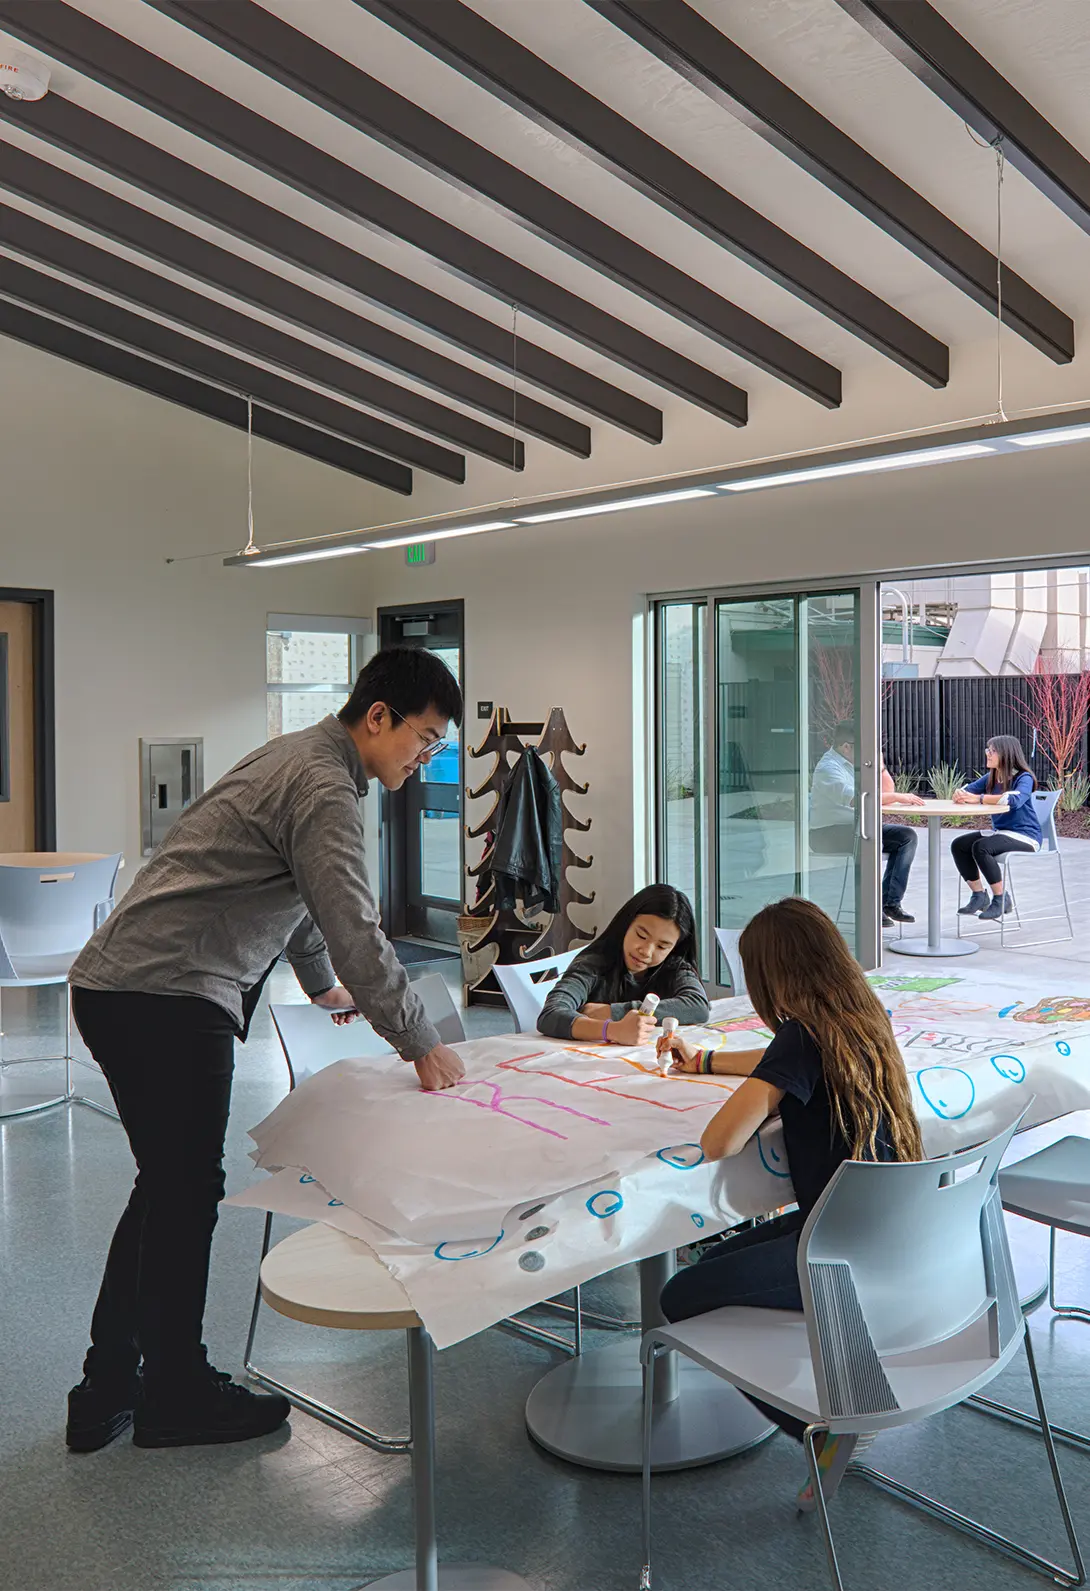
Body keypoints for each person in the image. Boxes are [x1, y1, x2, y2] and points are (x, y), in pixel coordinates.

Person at [66, 646, 466, 1455]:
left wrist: (321, 984)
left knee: (166, 1188)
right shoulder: (324, 786)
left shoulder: (302, 758)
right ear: (378, 717)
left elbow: (305, 898)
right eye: (422, 739)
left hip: (126, 986)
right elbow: (353, 917)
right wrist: (420, 1041)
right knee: (184, 1191)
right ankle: (174, 1392)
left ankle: (107, 1386)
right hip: (168, 994)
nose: (424, 760)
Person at [656, 896, 923, 1505]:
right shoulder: (858, 1016)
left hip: (839, 1246)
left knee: (681, 1295)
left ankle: (818, 1428)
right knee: (710, 1262)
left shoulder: (801, 1037)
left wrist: (756, 1091)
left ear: (770, 978)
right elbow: (778, 1064)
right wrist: (708, 1061)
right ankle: (839, 1367)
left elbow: (719, 1140)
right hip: (890, 1228)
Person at [537, 884, 708, 1045]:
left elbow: (697, 1006)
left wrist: (611, 1012)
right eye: (641, 935)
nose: (646, 951)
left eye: (662, 946)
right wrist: (612, 1030)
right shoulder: (594, 963)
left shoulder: (674, 966)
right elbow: (550, 1015)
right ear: (626, 924)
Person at [809, 722, 919, 927]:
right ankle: (870, 907)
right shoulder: (828, 769)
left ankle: (888, 903)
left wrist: (881, 766)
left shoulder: (854, 763)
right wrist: (897, 796)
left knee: (907, 837)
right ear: (846, 747)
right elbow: (857, 799)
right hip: (828, 832)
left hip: (857, 826)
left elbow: (886, 789)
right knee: (869, 839)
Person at [952, 735, 1042, 921]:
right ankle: (979, 896)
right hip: (1001, 833)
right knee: (959, 844)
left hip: (1026, 836)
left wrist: (980, 799)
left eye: (992, 751)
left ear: (1006, 754)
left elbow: (1014, 800)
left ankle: (1001, 899)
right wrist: (960, 794)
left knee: (982, 846)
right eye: (988, 750)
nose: (988, 754)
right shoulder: (991, 777)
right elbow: (966, 791)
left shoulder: (1023, 778)